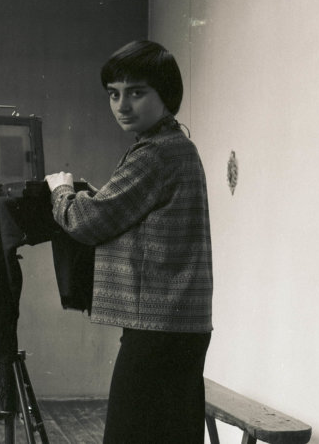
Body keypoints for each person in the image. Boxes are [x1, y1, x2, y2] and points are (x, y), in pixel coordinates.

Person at [45, 40, 213, 443]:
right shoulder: (179, 147)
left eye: (136, 93)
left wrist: (61, 191)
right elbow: (132, 215)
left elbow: (86, 222)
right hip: (180, 326)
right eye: (114, 94)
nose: (122, 105)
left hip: (158, 329)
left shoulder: (154, 153)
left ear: (166, 94)